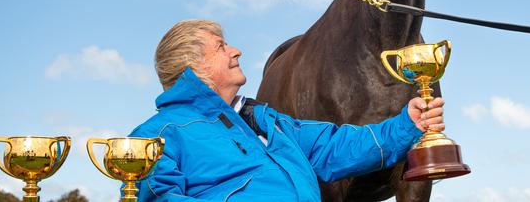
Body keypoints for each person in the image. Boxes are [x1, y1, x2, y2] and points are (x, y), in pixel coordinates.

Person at [130, 20, 446, 201]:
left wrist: (408, 123)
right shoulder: (157, 135)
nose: (236, 50)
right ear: (194, 66)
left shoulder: (263, 121)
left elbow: (333, 146)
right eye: (221, 45)